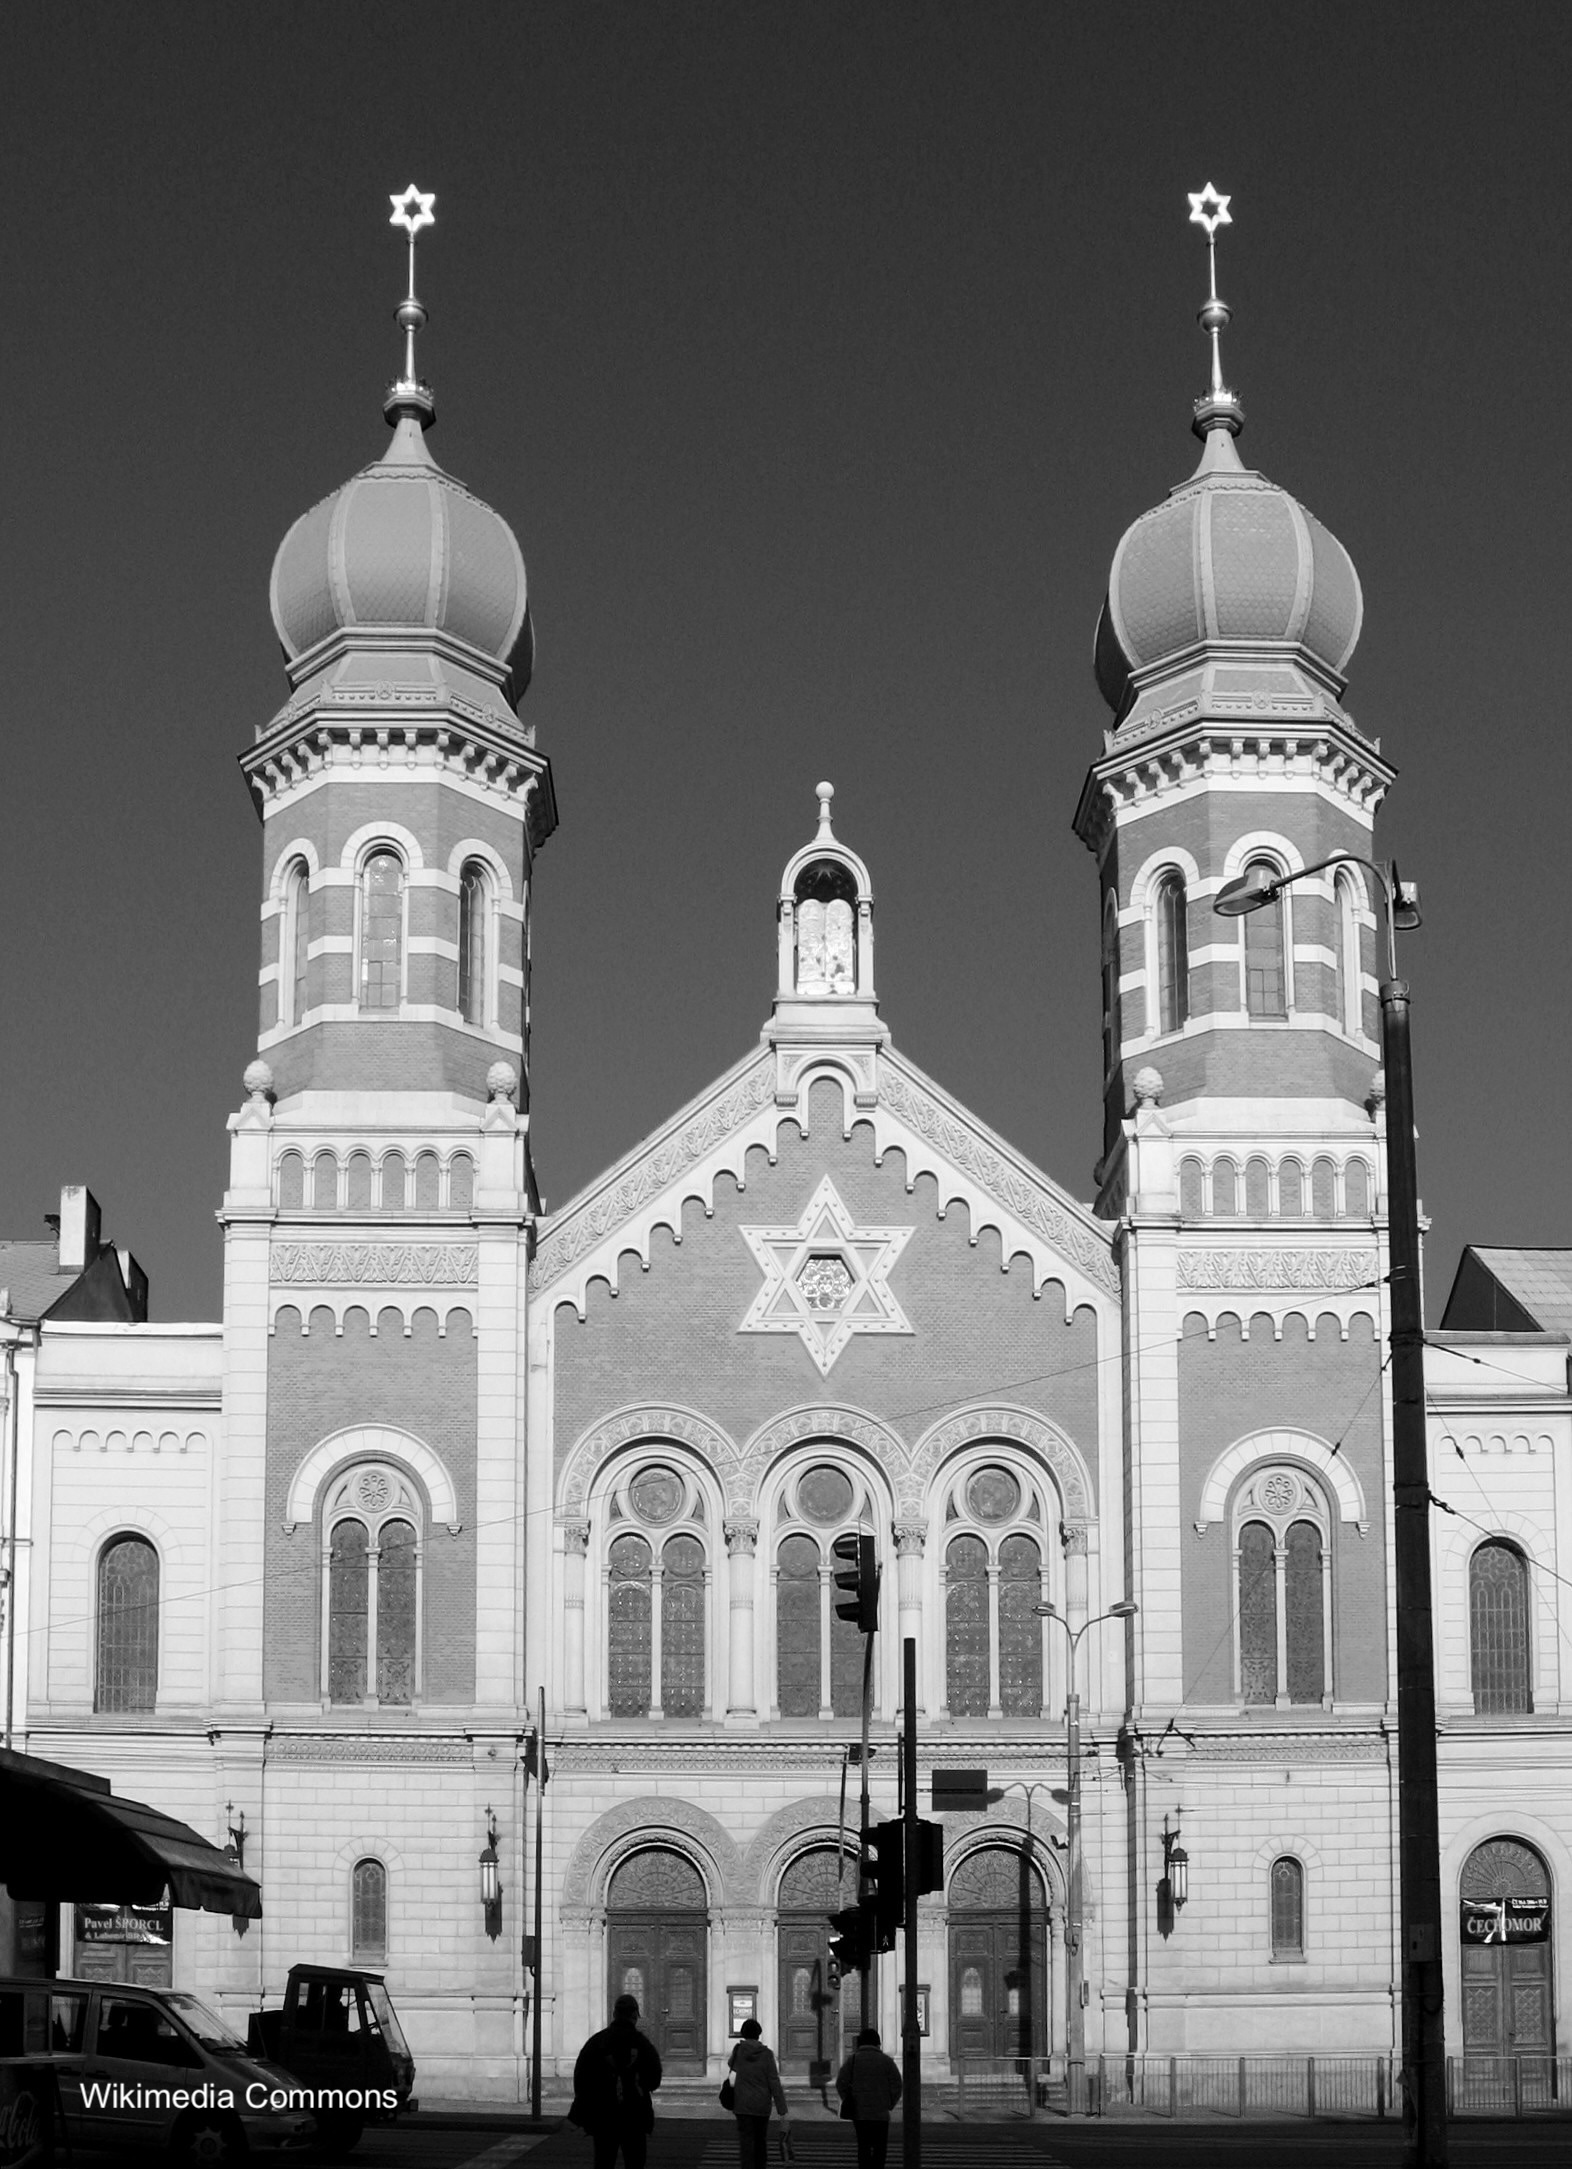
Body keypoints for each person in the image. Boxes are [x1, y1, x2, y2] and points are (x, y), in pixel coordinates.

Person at [571, 1993, 663, 2169]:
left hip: (603, 2115)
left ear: (614, 2014)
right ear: (635, 2016)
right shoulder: (642, 2044)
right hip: (634, 2115)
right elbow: (654, 2079)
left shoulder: (596, 2042)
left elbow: (581, 2079)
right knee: (635, 2162)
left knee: (604, 2162)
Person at [835, 2027, 902, 2169]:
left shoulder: (853, 2060)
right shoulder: (886, 2061)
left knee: (863, 2147)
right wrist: (889, 2103)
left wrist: (848, 2098)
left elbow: (841, 2082)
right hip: (880, 2113)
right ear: (878, 2043)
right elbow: (897, 2084)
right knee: (880, 2149)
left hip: (860, 2113)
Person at [726, 2016, 788, 2169]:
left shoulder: (738, 2050)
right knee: (760, 2139)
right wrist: (782, 2108)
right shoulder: (767, 2054)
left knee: (746, 2141)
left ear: (743, 2033)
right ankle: (760, 2166)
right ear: (759, 2034)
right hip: (761, 2105)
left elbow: (731, 2065)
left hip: (742, 2104)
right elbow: (774, 2081)